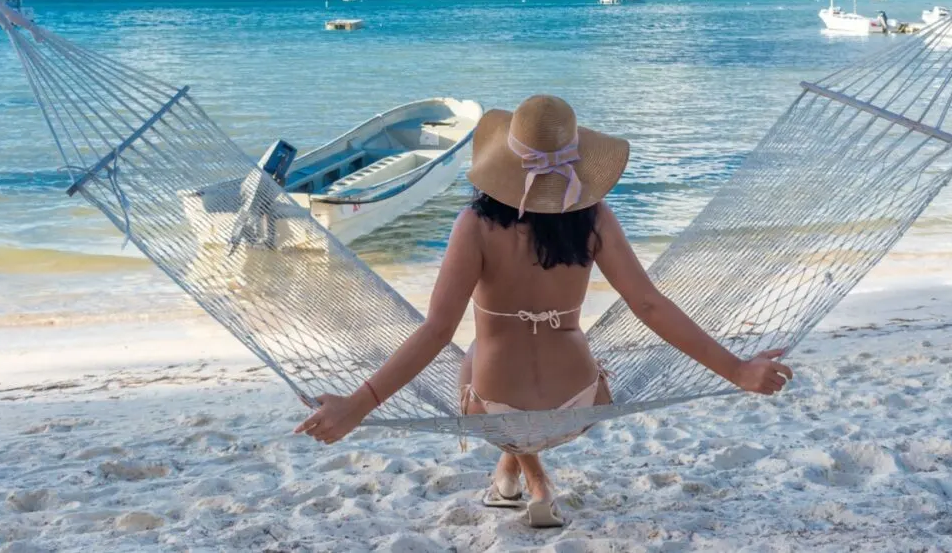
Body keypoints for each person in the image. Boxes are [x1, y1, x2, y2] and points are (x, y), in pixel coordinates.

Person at [295, 94, 793, 527]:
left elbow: (434, 330)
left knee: (472, 354)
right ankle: (518, 477)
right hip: (579, 406)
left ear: (503, 161)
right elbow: (648, 304)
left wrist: (358, 405)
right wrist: (739, 369)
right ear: (576, 161)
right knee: (574, 365)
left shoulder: (474, 224)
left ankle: (525, 478)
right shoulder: (593, 217)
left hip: (494, 409)